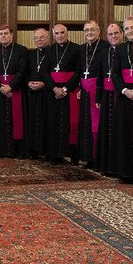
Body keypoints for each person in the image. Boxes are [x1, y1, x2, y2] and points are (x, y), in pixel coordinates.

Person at [110, 18, 133, 183]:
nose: (130, 31)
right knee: (124, 134)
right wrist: (125, 91)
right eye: (127, 29)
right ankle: (125, 172)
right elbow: (115, 74)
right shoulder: (120, 48)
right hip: (125, 97)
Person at [46, 24, 83, 164]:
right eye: (57, 33)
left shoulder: (76, 49)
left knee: (71, 123)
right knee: (54, 122)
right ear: (53, 35)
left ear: (66, 34)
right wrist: (54, 88)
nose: (60, 35)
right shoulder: (50, 50)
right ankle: (55, 154)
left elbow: (78, 72)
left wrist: (66, 89)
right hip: (53, 92)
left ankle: (73, 155)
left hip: (70, 92)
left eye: (62, 33)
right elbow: (45, 72)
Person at [0, 25, 27, 158]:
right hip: (0, 91)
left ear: (12, 35)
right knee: (1, 120)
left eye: (6, 33)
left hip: (15, 90)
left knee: (16, 120)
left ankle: (17, 151)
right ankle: (1, 150)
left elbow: (22, 71)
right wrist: (0, 87)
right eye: (1, 34)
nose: (3, 36)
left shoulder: (21, 50)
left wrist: (10, 86)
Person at [95, 23, 123, 175]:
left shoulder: (125, 50)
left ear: (121, 34)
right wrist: (98, 97)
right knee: (106, 129)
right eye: (110, 34)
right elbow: (100, 76)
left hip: (120, 95)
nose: (113, 36)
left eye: (116, 33)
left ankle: (117, 166)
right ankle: (106, 165)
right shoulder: (103, 52)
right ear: (106, 36)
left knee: (118, 129)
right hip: (106, 95)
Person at [77, 21, 106, 169]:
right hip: (85, 89)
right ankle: (88, 157)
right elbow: (80, 70)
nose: (89, 33)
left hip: (97, 89)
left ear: (99, 31)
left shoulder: (105, 47)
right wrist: (80, 87)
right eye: (86, 30)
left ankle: (98, 158)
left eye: (92, 30)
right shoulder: (82, 49)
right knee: (86, 124)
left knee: (97, 125)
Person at [24, 29, 52, 159]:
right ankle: (33, 150)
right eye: (36, 38)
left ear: (47, 38)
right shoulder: (30, 54)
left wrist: (44, 84)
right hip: (32, 93)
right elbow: (25, 72)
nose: (39, 40)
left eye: (42, 37)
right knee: (32, 120)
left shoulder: (52, 53)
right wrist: (28, 82)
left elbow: (53, 73)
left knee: (46, 121)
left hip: (47, 93)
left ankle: (45, 150)